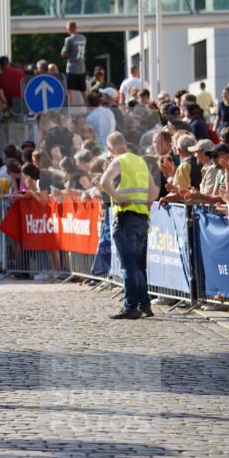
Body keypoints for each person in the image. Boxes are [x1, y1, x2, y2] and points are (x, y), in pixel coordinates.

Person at [101, 132, 159, 320]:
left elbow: (103, 182)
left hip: (125, 217)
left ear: (110, 149)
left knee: (128, 266)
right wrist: (144, 203)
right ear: (125, 144)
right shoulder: (140, 161)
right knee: (139, 266)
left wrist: (118, 198)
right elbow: (153, 192)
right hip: (142, 218)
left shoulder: (118, 161)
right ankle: (145, 305)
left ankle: (130, 306)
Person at [60, 20, 87, 106]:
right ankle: (89, 106)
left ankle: (70, 109)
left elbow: (63, 54)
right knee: (83, 91)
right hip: (81, 68)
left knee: (70, 91)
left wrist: (66, 51)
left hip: (72, 68)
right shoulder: (83, 38)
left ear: (70, 28)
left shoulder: (69, 39)